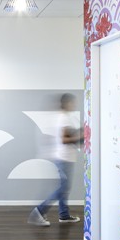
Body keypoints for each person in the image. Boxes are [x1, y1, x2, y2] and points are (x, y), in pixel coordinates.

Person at [28, 93, 82, 226]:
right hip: (65, 158)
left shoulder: (63, 117)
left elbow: (68, 137)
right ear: (66, 103)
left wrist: (79, 136)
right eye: (72, 102)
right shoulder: (64, 118)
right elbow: (65, 140)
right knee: (63, 189)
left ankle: (64, 215)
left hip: (65, 157)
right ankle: (39, 212)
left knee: (64, 189)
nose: (74, 105)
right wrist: (82, 136)